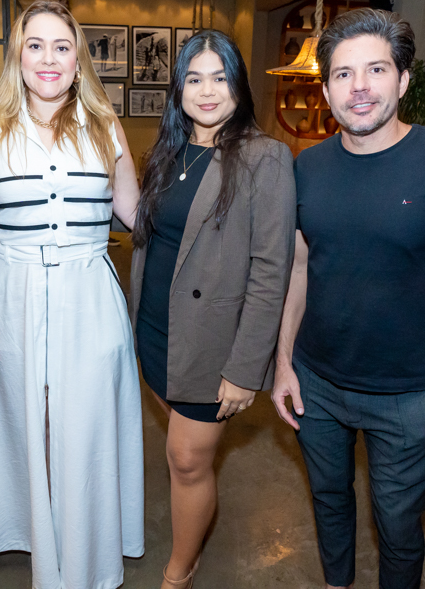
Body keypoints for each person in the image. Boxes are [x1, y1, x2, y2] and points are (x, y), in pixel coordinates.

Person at [272, 8, 425, 589]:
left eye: (375, 69)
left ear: (402, 80)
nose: (359, 87)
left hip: (407, 396)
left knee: (399, 527)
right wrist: (283, 364)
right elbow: (298, 269)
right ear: (326, 89)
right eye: (343, 74)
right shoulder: (308, 167)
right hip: (315, 384)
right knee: (328, 502)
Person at [0, 0, 144, 589]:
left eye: (61, 47)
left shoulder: (106, 127)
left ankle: (88, 547)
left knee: (87, 421)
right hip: (11, 290)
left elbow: (136, 213)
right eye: (35, 45)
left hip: (89, 291)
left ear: (78, 59)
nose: (48, 58)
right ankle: (36, 534)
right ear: (18, 55)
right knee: (23, 419)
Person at [131, 30, 295, 589]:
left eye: (220, 78)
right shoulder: (169, 151)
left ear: (239, 86)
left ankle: (180, 570)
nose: (206, 91)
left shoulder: (265, 157)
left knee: (186, 459)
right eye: (194, 79)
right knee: (182, 451)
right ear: (178, 89)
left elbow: (271, 271)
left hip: (212, 343)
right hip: (156, 331)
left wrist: (245, 369)